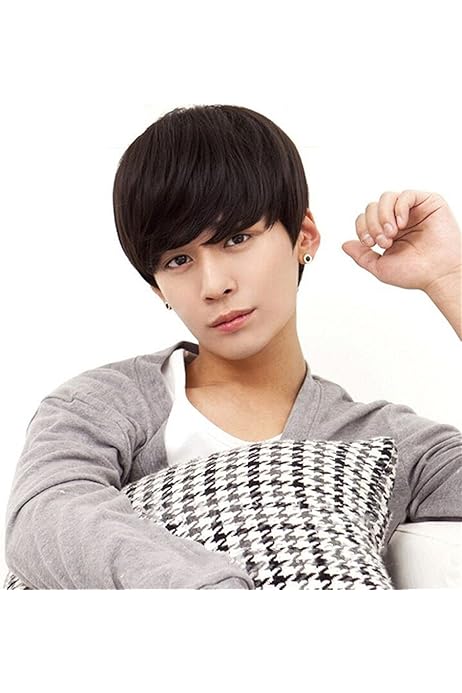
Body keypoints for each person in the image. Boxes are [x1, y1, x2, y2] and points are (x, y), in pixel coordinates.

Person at [4, 105, 462, 589]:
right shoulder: (104, 403)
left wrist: (449, 277)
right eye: (178, 260)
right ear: (157, 287)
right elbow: (42, 517)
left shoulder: (383, 442)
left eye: (236, 238)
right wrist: (215, 599)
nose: (214, 285)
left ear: (304, 236)